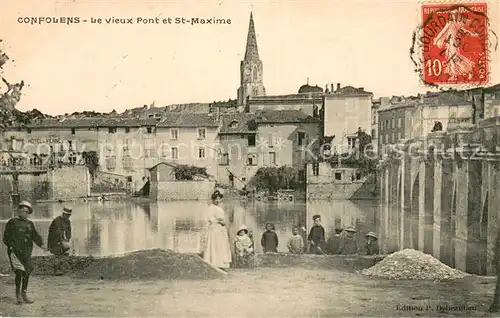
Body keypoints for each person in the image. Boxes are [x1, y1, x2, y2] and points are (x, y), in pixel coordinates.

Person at [2, 201, 46, 305]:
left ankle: (24, 294)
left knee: (27, 272)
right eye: (22, 211)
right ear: (18, 211)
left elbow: (35, 236)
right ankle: (18, 296)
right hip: (15, 252)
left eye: (26, 212)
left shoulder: (30, 224)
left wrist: (42, 245)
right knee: (19, 272)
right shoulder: (12, 222)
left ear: (28, 213)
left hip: (26, 252)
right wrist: (11, 246)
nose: (24, 213)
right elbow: (6, 238)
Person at [203, 190, 232, 270]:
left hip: (220, 229)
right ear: (213, 199)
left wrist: (223, 222)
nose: (217, 201)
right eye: (216, 199)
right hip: (215, 229)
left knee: (221, 245)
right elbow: (210, 219)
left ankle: (221, 262)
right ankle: (214, 262)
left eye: (219, 199)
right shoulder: (210, 208)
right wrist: (219, 221)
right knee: (215, 245)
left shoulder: (219, 208)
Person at [48, 207, 73, 275]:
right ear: (63, 214)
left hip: (60, 239)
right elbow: (58, 232)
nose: (68, 216)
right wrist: (62, 240)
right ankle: (56, 270)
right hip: (53, 239)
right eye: (67, 215)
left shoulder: (68, 221)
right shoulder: (57, 220)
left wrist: (67, 239)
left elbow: (68, 231)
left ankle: (60, 268)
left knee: (62, 252)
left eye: (69, 215)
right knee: (58, 253)